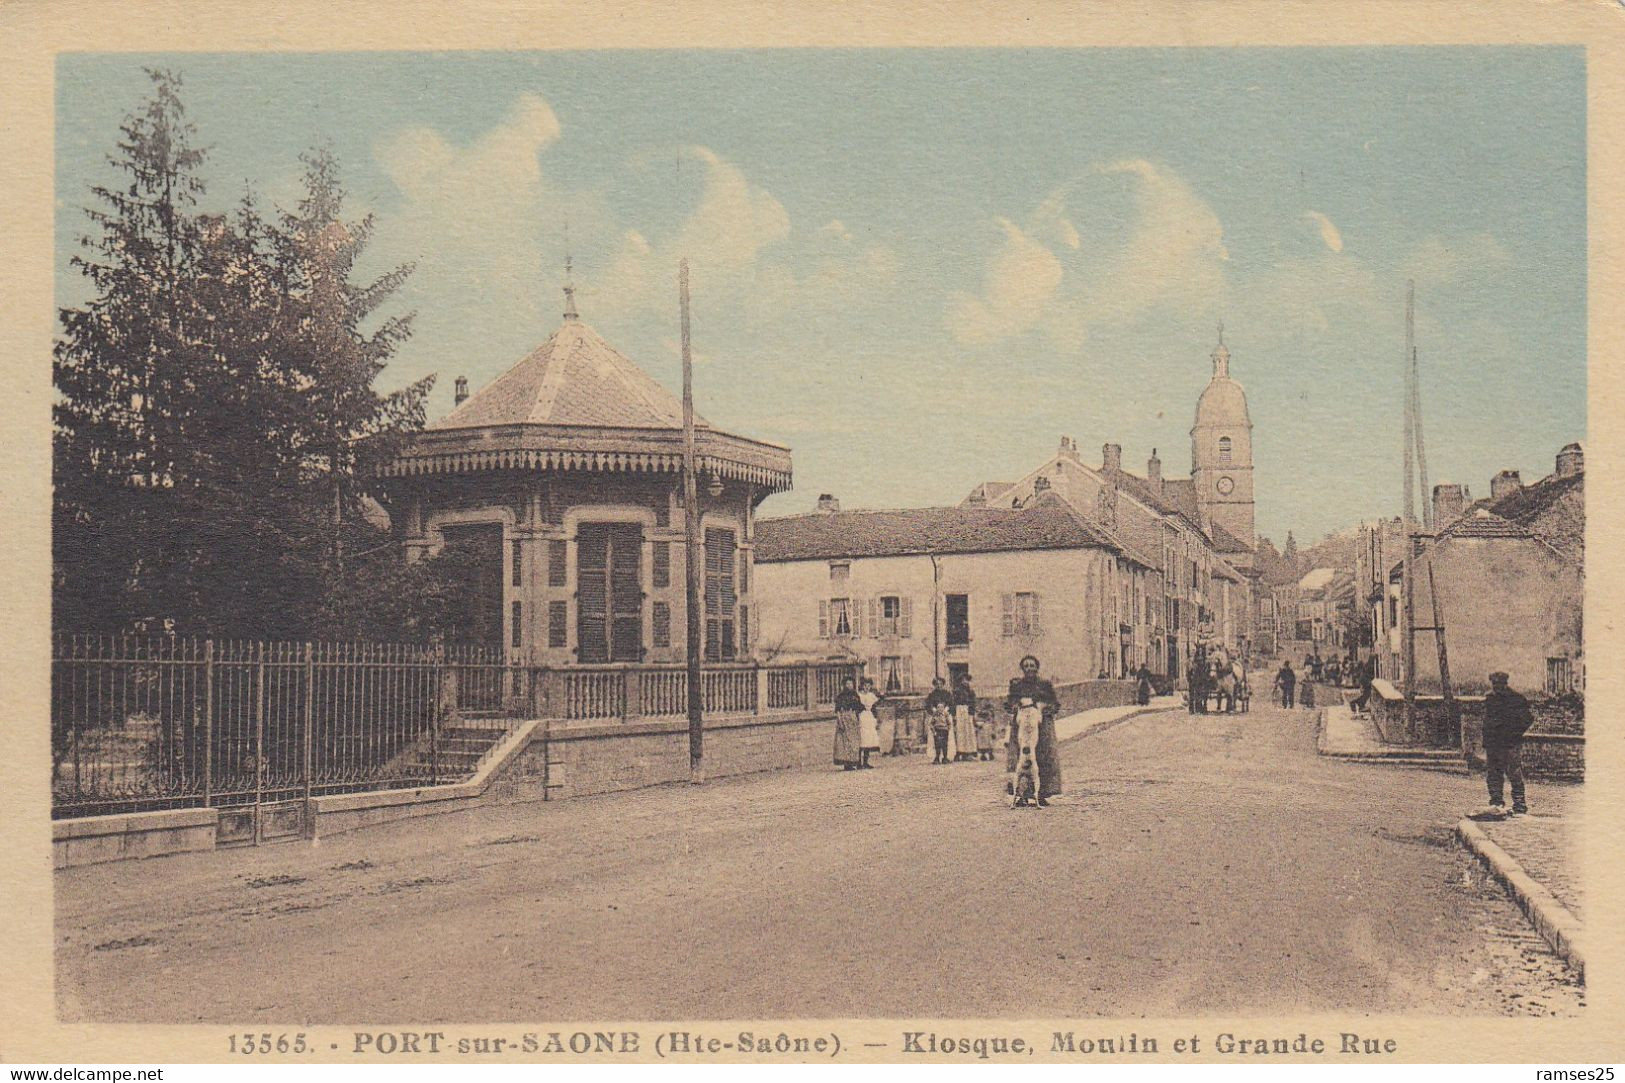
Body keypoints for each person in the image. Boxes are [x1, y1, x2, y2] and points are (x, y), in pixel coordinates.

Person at [1005, 655, 1062, 805]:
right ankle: (1021, 794)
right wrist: (1015, 708)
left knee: (1043, 757)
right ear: (1022, 669)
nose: (1029, 668)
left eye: (1032, 665)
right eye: (1026, 666)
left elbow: (1055, 704)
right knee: (1021, 758)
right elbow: (1009, 703)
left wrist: (1045, 709)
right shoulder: (1017, 686)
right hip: (1022, 727)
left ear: (1037, 667)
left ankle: (1041, 793)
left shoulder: (1045, 685)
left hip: (1042, 727)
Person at [1480, 671, 1533, 816]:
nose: (1496, 687)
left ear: (1505, 683)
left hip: (1510, 744)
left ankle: (1520, 805)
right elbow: (1488, 720)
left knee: (1514, 773)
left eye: (1499, 684)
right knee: (1493, 774)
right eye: (1494, 684)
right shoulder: (1490, 699)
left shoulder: (1516, 699)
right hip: (1493, 744)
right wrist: (1487, 738)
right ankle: (1496, 803)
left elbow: (1527, 719)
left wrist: (1514, 734)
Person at [833, 677, 863, 770]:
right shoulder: (841, 696)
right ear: (844, 685)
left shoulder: (855, 695)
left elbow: (858, 708)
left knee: (854, 741)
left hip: (853, 719)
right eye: (848, 684)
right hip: (844, 718)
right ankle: (847, 764)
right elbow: (837, 710)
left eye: (851, 683)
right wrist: (840, 721)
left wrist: (858, 719)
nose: (850, 685)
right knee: (844, 742)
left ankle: (855, 761)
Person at [924, 677, 954, 765]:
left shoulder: (947, 694)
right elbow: (928, 705)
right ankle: (936, 757)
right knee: (935, 740)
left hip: (945, 717)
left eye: (941, 684)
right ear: (934, 685)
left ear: (943, 684)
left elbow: (951, 704)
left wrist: (946, 710)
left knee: (947, 739)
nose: (939, 685)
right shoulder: (932, 695)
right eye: (937, 684)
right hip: (935, 718)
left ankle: (946, 756)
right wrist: (934, 710)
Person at [856, 678, 883, 769]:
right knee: (862, 739)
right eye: (865, 686)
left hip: (869, 717)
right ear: (862, 686)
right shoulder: (858, 695)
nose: (867, 688)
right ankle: (859, 762)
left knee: (868, 739)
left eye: (868, 686)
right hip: (862, 716)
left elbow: (877, 702)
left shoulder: (871, 695)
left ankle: (866, 762)